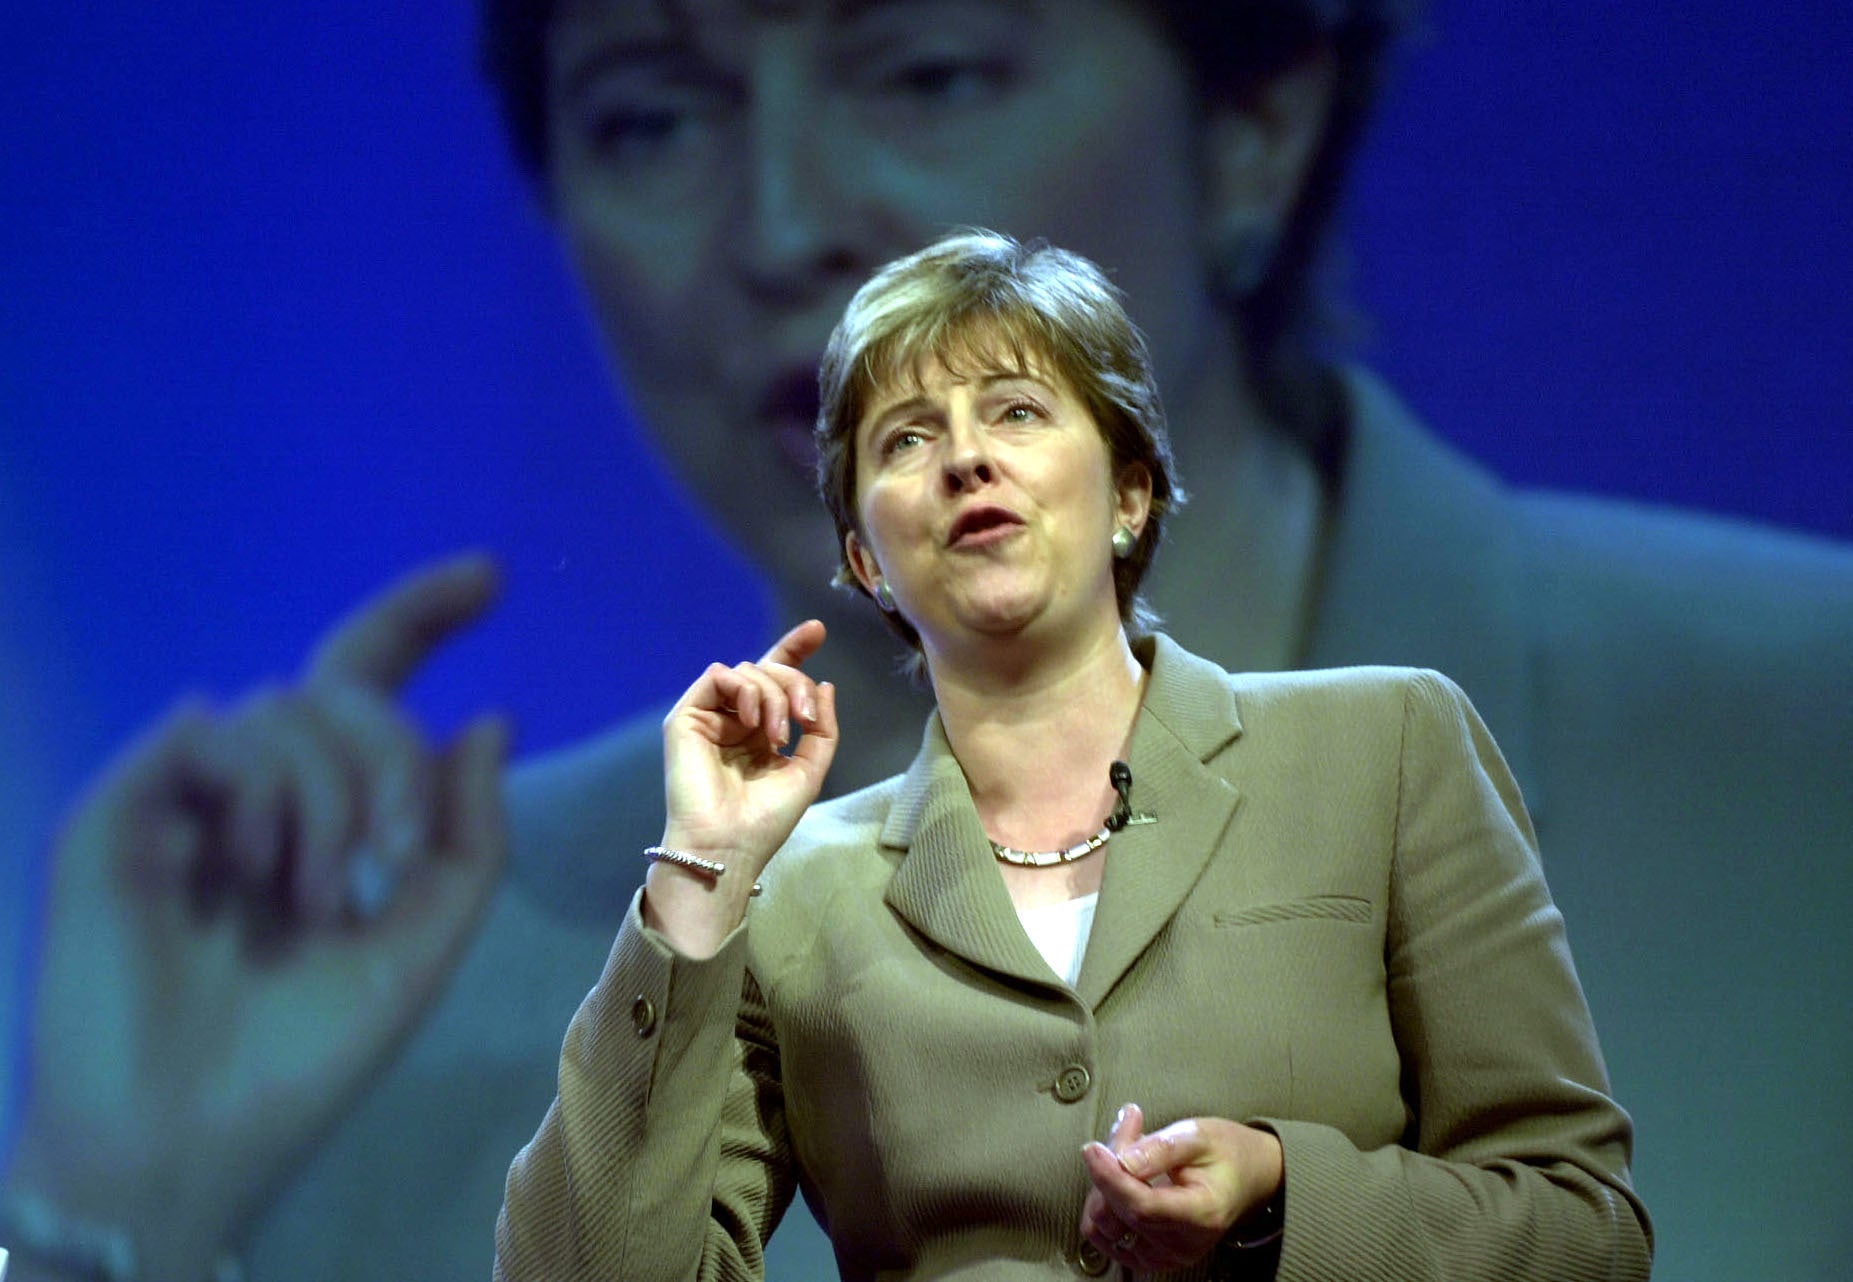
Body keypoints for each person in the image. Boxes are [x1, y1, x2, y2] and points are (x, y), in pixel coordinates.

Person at [4, 2, 1846, 1279]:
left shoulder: (1787, 741)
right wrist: (120, 1201)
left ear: (1253, 125)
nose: (786, 219)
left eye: (929, 66)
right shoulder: (451, 979)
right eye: (652, 109)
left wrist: (1295, 1206)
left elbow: (1578, 1229)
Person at [495, 230, 1651, 1280]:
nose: (964, 462)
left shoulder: (1386, 743)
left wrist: (1280, 1195)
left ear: (1130, 494)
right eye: (906, 439)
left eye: (1015, 412)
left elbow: (1578, 1228)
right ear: (861, 559)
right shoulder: (796, 891)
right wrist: (698, 868)